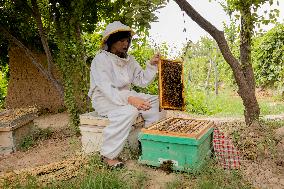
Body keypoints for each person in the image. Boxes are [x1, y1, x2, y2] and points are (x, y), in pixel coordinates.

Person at [88, 21, 164, 168]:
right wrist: (130, 99)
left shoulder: (129, 60)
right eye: (121, 40)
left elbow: (141, 80)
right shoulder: (100, 60)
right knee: (130, 111)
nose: (126, 44)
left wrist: (152, 65)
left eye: (127, 40)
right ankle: (108, 156)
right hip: (104, 99)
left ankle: (147, 140)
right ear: (111, 42)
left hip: (127, 95)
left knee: (157, 102)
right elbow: (107, 88)